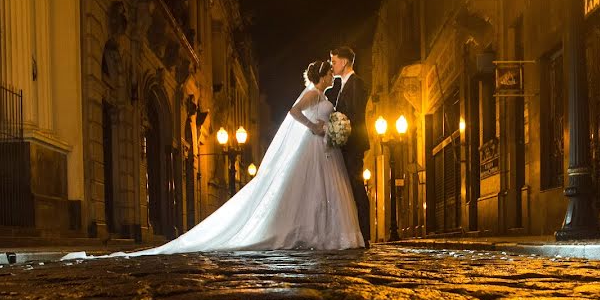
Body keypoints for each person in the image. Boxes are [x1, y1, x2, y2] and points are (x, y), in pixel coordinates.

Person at [63, 61, 363, 260]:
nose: (330, 78)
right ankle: (308, 231)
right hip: (313, 147)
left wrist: (333, 129)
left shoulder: (324, 97)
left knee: (318, 193)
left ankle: (324, 232)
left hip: (324, 151)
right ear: (321, 76)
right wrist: (315, 127)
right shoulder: (312, 94)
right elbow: (294, 112)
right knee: (305, 190)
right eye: (327, 75)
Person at [327, 46, 370, 247]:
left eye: (334, 62)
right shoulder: (345, 84)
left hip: (352, 144)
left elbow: (354, 116)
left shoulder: (356, 83)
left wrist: (340, 131)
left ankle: (364, 233)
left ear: (344, 62)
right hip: (347, 145)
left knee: (356, 186)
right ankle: (356, 233)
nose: (332, 66)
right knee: (350, 189)